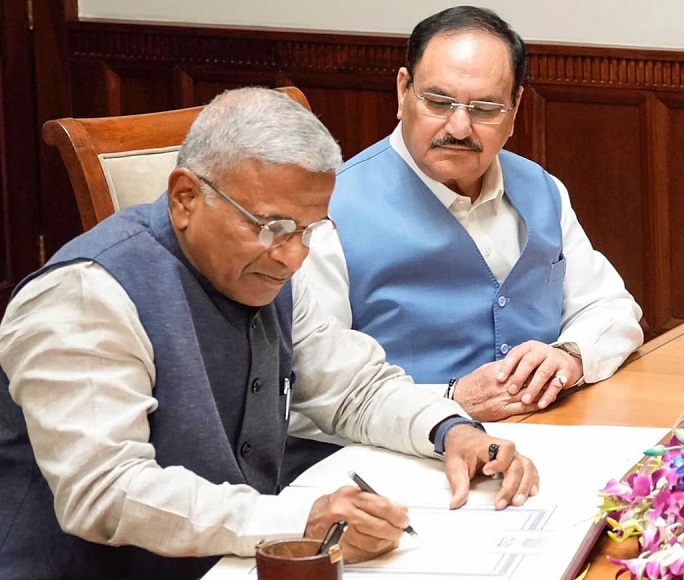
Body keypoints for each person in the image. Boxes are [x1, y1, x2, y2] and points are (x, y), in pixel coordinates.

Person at [0, 87, 538, 580]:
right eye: (272, 227)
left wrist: (453, 431)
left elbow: (353, 388)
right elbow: (106, 491)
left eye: (309, 230)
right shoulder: (84, 295)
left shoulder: (268, 268)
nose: (293, 256)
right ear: (185, 197)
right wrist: (297, 522)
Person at [301, 6, 644, 426]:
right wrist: (450, 400)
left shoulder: (543, 189)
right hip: (403, 450)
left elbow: (611, 307)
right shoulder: (326, 215)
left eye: (485, 108)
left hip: (552, 429)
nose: (459, 127)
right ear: (403, 91)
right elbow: (313, 393)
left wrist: (569, 356)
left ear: (515, 109)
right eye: (438, 102)